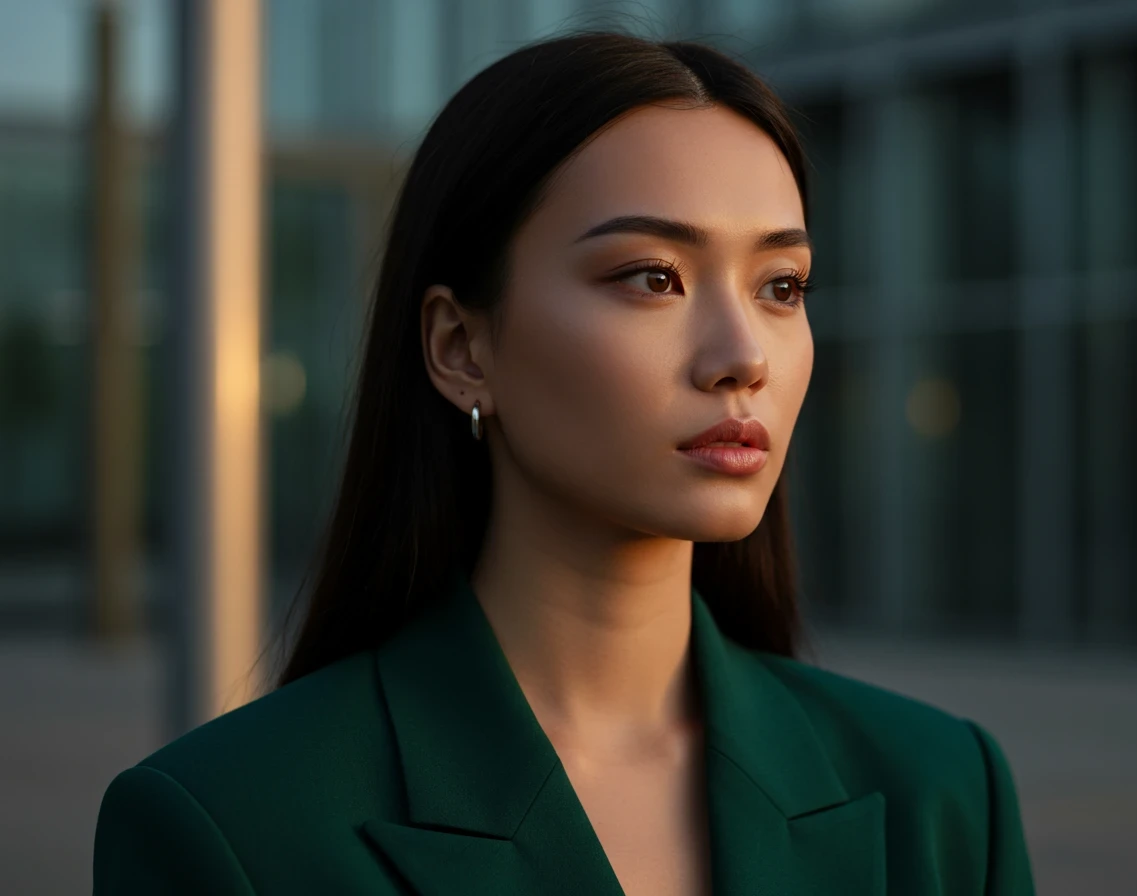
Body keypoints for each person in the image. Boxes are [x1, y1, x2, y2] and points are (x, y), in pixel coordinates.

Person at [92, 29, 1037, 896]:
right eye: (652, 278)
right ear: (462, 346)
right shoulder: (229, 827)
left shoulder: (942, 794)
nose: (743, 354)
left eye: (781, 286)